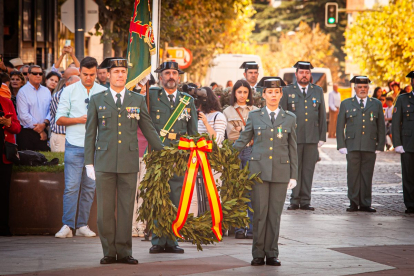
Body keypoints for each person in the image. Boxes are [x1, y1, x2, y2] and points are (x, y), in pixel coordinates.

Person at [84, 57, 164, 265]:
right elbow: (90, 133)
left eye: (122, 71)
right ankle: (109, 252)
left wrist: (164, 152)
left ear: (126, 75)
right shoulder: (97, 100)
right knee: (104, 212)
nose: (120, 75)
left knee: (127, 209)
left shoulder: (136, 99)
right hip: (105, 161)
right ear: (108, 75)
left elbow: (148, 128)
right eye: (116, 71)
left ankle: (125, 251)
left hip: (129, 161)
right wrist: (88, 163)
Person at [233, 78, 298, 266]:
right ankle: (258, 254)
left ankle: (272, 253)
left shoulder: (290, 118)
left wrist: (293, 175)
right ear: (263, 95)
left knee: (274, 214)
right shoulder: (255, 116)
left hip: (280, 172)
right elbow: (243, 139)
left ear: (281, 94)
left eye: (276, 92)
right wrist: (225, 155)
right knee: (260, 213)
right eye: (270, 92)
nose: (273, 95)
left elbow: (293, 148)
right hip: (258, 172)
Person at [148, 61, 198, 254]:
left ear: (179, 76)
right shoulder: (151, 95)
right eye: (167, 73)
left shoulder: (187, 100)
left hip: (179, 154)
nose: (171, 76)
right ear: (160, 76)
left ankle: (172, 240)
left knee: (176, 197)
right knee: (158, 197)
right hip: (158, 152)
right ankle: (158, 240)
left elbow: (192, 130)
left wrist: (192, 154)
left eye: (174, 73)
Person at [54, 57, 106, 239]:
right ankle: (67, 225)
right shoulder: (68, 91)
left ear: (97, 73)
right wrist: (80, 119)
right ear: (79, 72)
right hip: (74, 145)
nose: (89, 78)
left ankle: (82, 225)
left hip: (97, 147)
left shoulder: (103, 91)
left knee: (90, 187)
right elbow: (59, 119)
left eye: (92, 75)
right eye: (85, 74)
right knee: (71, 187)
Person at [280, 61, 327, 211]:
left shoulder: (317, 90)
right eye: (301, 72)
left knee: (308, 169)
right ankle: (294, 199)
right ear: (296, 74)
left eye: (307, 73)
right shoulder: (287, 91)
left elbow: (321, 114)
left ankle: (306, 200)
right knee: (295, 168)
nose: (304, 75)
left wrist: (321, 137)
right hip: (294, 137)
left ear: (310, 75)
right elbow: (283, 115)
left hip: (312, 137)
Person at [337, 76, 385, 212]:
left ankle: (365, 203)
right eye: (360, 87)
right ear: (355, 88)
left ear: (368, 88)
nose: (362, 89)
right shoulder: (346, 103)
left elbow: (380, 125)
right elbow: (340, 126)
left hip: (370, 145)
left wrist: (380, 145)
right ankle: (353, 202)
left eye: (365, 87)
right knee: (352, 174)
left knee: (367, 174)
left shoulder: (376, 104)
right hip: (352, 145)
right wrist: (341, 145)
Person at [223, 79, 258, 239]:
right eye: (239, 92)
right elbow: (226, 134)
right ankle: (238, 228)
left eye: (245, 92)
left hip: (251, 151)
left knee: (251, 190)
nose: (242, 95)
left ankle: (250, 229)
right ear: (234, 93)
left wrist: (242, 130)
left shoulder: (257, 111)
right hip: (235, 151)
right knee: (236, 189)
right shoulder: (227, 111)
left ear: (249, 94)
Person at [392, 71, 414, 214]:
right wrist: (397, 143)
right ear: (412, 82)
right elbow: (396, 123)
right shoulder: (403, 99)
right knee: (408, 175)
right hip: (408, 143)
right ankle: (411, 204)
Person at [16, 65, 51, 151]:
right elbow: (23, 115)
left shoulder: (46, 91)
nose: (38, 75)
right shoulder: (22, 92)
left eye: (40, 73)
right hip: (27, 132)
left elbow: (51, 110)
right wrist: (40, 130)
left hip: (44, 129)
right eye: (35, 73)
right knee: (27, 162)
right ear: (28, 75)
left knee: (45, 160)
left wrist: (44, 125)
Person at [0, 95, 21, 236]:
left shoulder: (6, 102)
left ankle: (3, 227)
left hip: (4, 156)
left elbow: (17, 128)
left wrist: (8, 123)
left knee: (3, 193)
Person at [49, 75, 80, 152]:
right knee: (61, 163)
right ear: (67, 84)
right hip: (61, 136)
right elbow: (63, 117)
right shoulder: (59, 96)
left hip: (73, 136)